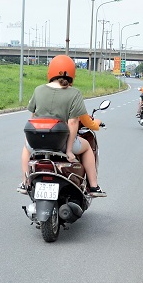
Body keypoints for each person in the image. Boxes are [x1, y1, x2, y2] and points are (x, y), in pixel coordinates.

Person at [19, 55, 105, 196]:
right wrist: (69, 151)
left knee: (25, 147)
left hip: (38, 142)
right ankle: (94, 186)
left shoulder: (38, 90)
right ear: (72, 74)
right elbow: (73, 122)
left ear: (50, 71)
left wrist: (31, 140)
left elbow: (33, 118)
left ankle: (25, 183)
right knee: (87, 148)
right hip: (62, 144)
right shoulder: (74, 93)